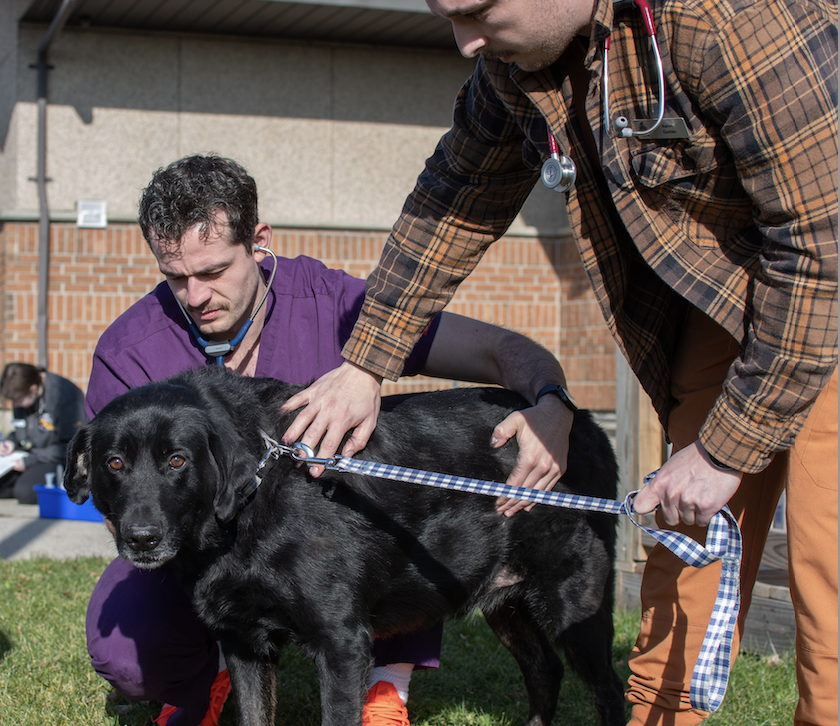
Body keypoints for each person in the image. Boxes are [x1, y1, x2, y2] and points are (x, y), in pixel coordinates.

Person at [281, 2, 838, 725]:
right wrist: (365, 366)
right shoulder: (516, 67)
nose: (464, 42)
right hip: (728, 303)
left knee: (827, 574)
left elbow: (822, 248)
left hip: (825, 288)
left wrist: (730, 446)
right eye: (447, 15)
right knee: (684, 552)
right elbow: (456, 197)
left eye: (478, 11)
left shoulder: (726, 17)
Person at [85, 155, 581, 726]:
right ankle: (218, 670)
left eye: (215, 271)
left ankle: (385, 685)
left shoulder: (337, 305)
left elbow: (500, 351)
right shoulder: (130, 352)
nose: (195, 297)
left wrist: (551, 401)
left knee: (370, 507)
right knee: (126, 650)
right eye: (177, 277)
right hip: (200, 555)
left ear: (259, 241)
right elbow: (118, 501)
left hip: (347, 548)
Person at [0, 362, 86, 504]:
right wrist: (11, 441)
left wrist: (30, 461)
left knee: (25, 492)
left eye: (17, 400)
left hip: (54, 458)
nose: (15, 404)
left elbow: (72, 447)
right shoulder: (22, 394)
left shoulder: (65, 396)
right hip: (26, 454)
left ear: (33, 389)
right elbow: (20, 428)